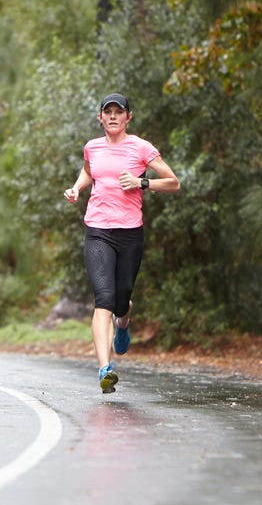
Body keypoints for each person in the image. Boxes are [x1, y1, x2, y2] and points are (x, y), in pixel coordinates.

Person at [64, 92, 180, 393]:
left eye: (119, 112)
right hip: (98, 231)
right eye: (108, 112)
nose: (113, 116)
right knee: (103, 298)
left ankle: (123, 324)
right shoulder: (92, 148)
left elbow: (173, 182)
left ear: (128, 117)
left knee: (121, 300)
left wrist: (143, 182)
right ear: (100, 117)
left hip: (130, 233)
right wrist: (77, 188)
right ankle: (105, 368)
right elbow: (89, 172)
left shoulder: (141, 147)